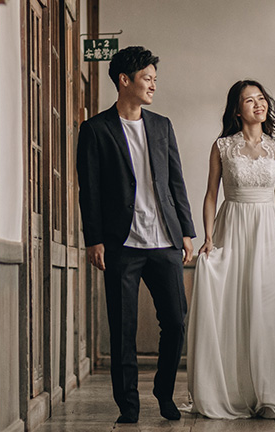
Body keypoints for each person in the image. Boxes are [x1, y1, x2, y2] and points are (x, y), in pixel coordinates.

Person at [76, 46, 196, 424]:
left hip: (164, 240)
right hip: (120, 244)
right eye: (147, 79)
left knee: (176, 321)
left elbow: (176, 181)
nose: (153, 86)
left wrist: (187, 232)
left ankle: (163, 392)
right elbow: (89, 189)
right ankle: (128, 406)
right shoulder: (95, 129)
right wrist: (93, 238)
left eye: (155, 80)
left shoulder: (162, 126)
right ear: (124, 81)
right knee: (123, 329)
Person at [186, 79, 275, 419]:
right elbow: (211, 194)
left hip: (267, 233)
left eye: (261, 99)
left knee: (265, 310)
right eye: (249, 100)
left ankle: (268, 394)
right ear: (236, 110)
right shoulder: (222, 146)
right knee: (233, 308)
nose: (258, 104)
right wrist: (209, 237)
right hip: (232, 226)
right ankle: (233, 390)